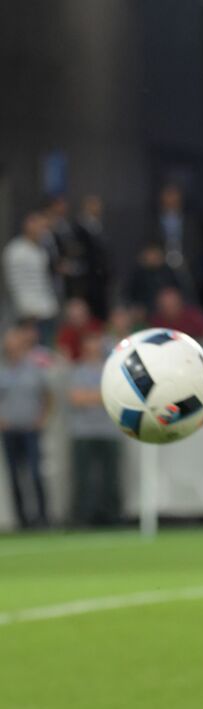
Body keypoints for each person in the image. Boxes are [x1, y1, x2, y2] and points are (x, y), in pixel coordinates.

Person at [66, 333, 122, 527]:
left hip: (109, 432)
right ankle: (81, 517)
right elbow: (76, 399)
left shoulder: (112, 369)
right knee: (83, 477)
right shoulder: (78, 370)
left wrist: (91, 396)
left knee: (111, 478)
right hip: (83, 432)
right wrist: (101, 396)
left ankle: (112, 517)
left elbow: (117, 397)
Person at [0, 322, 51, 529]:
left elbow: (48, 395)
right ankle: (22, 519)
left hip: (30, 428)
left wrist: (42, 418)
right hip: (9, 429)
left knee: (35, 473)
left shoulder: (34, 367)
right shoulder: (2, 369)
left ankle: (42, 517)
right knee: (14, 475)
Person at [3, 213, 60, 342]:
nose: (44, 231)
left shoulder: (41, 251)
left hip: (46, 310)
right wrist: (26, 310)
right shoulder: (15, 251)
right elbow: (15, 283)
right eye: (41, 227)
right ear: (29, 226)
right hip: (28, 313)